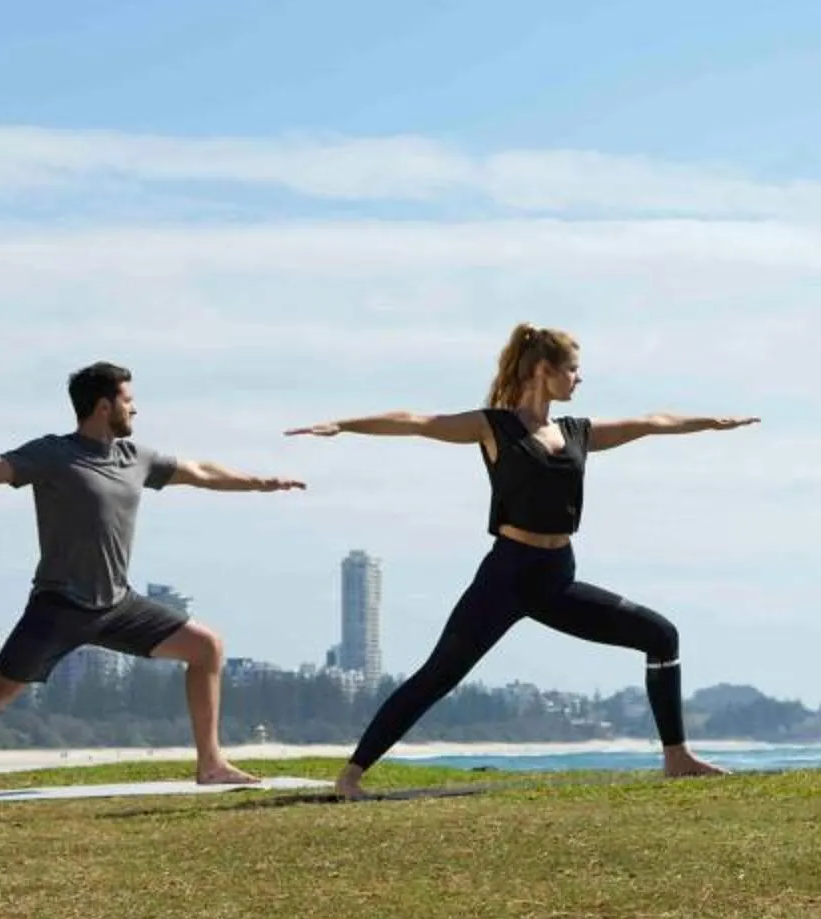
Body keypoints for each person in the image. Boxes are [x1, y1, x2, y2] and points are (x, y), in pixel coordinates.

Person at [287, 323, 757, 800]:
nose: (579, 379)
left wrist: (711, 421)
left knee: (661, 635)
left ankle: (676, 757)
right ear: (543, 370)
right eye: (573, 370)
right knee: (439, 675)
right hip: (506, 577)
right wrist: (344, 425)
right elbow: (415, 420)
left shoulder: (577, 432)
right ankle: (350, 777)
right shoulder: (492, 427)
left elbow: (653, 422)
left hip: (557, 580)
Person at [0, 360, 304, 803]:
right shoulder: (53, 454)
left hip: (118, 605)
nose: (135, 410)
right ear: (102, 405)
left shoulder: (137, 459)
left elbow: (203, 472)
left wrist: (260, 482)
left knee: (206, 646)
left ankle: (210, 764)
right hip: (59, 607)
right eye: (128, 401)